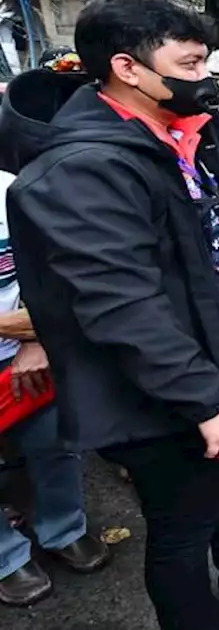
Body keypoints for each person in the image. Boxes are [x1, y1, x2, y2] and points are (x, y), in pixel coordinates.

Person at [0, 0, 219, 630]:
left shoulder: (192, 127)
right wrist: (205, 399)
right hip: (163, 389)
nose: (205, 77)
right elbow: (120, 303)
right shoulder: (82, 167)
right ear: (128, 68)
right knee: (181, 524)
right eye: (190, 63)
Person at [0, 168, 109, 607]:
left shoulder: (13, 189)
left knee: (55, 441)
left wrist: (40, 338)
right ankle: (6, 558)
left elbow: (55, 267)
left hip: (26, 349)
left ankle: (64, 528)